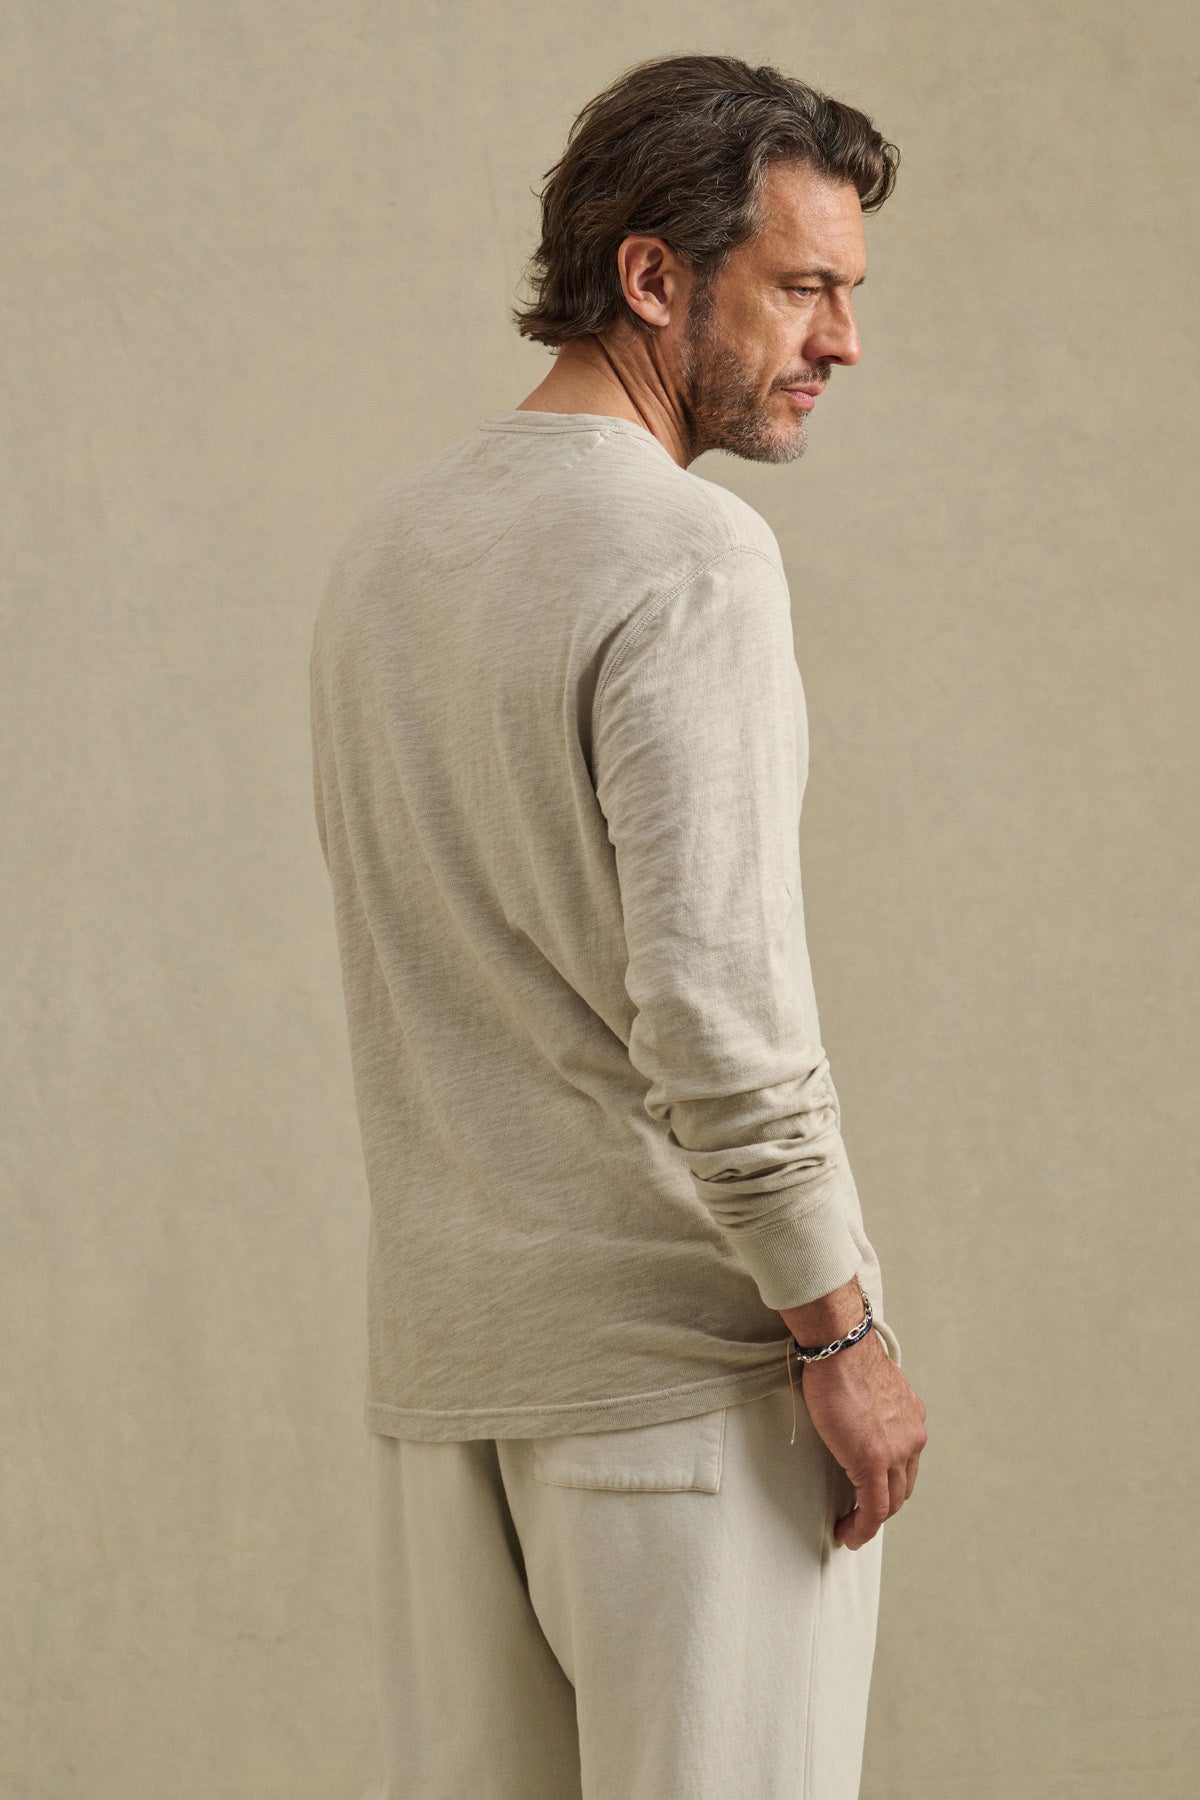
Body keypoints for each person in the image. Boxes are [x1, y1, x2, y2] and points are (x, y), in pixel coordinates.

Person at [309, 50, 928, 1800]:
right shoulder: (687, 558)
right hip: (686, 1388)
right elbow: (717, 1010)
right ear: (655, 277)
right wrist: (841, 1334)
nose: (843, 341)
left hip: (452, 1392)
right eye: (804, 286)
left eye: (851, 293)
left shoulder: (390, 546)